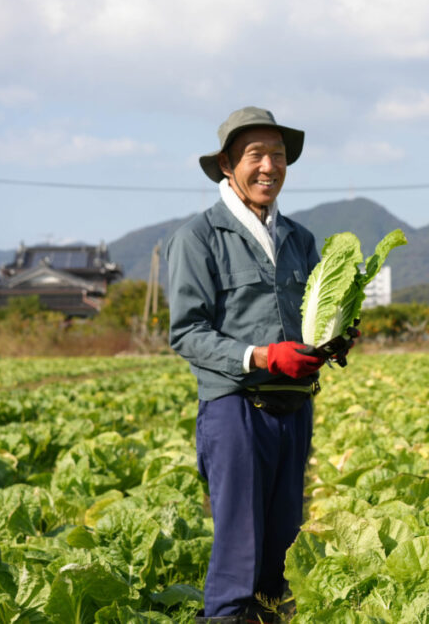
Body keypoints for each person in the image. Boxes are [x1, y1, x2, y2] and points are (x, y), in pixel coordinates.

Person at [167, 107, 347, 623]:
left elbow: (316, 316)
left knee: (282, 548)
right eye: (256, 155)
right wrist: (261, 355)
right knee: (239, 551)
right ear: (227, 164)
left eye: (280, 156)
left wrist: (335, 339)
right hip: (235, 408)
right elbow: (187, 333)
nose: (270, 166)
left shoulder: (300, 239)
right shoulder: (199, 238)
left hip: (294, 407)